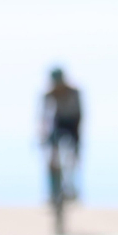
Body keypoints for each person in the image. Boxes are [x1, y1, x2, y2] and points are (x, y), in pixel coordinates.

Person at [41, 67, 82, 201]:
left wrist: (77, 137)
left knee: (72, 158)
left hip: (72, 124)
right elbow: (44, 117)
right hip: (57, 124)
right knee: (52, 156)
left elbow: (80, 114)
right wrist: (43, 135)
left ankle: (70, 186)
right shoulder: (48, 94)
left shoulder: (74, 92)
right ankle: (53, 191)